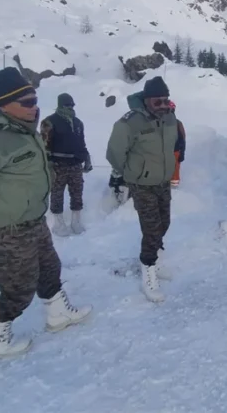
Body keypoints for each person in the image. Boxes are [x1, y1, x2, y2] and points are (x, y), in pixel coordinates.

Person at [0, 67, 92, 357]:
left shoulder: (24, 130)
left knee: (49, 268)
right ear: (3, 104)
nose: (34, 107)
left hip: (32, 220)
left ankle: (58, 314)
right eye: (26, 102)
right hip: (6, 227)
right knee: (19, 287)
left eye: (35, 100)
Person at [106, 76, 178, 303]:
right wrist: (131, 175)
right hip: (142, 184)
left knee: (164, 223)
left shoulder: (169, 119)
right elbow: (114, 153)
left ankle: (154, 260)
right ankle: (148, 272)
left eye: (166, 100)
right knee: (151, 228)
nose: (163, 105)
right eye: (158, 102)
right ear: (146, 101)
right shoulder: (130, 122)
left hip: (163, 182)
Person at [40, 93, 92, 237]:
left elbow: (82, 143)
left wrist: (87, 158)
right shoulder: (49, 122)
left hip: (76, 164)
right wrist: (48, 163)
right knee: (57, 193)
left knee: (77, 192)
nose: (70, 108)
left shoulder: (78, 123)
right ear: (60, 105)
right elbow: (44, 144)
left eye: (71, 105)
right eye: (66, 105)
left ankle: (76, 221)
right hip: (58, 164)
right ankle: (58, 223)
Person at [169, 100, 186, 188]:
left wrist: (182, 152)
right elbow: (182, 138)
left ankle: (174, 188)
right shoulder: (178, 122)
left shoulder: (177, 123)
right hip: (174, 150)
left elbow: (182, 138)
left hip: (174, 150)